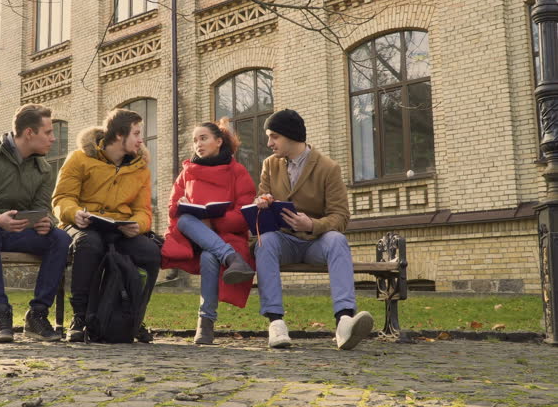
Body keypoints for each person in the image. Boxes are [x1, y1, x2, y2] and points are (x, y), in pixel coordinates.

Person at [254, 108, 374, 350]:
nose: (269, 143)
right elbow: (262, 198)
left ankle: (344, 321)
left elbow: (341, 217)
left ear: (291, 136)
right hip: (283, 241)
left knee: (337, 240)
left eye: (274, 136)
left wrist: (312, 224)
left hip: (315, 242)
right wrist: (263, 203)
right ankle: (276, 324)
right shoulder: (270, 164)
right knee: (264, 241)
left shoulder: (328, 168)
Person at [0, 104, 71, 343]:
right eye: (48, 132)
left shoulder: (43, 169)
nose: (53, 138)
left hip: (16, 231)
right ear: (29, 133)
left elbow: (42, 209)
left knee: (60, 238)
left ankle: (37, 315)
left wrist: (45, 223)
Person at [52, 108, 161, 342]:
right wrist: (74, 213)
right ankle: (80, 317)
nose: (141, 140)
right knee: (90, 244)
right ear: (120, 135)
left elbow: (143, 211)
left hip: (120, 228)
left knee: (151, 252)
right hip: (83, 224)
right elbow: (61, 198)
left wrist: (137, 226)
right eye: (136, 133)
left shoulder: (140, 168)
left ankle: (134, 316)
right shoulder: (79, 158)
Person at [160, 120, 257, 344]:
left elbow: (245, 212)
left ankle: (205, 322)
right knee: (184, 219)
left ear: (219, 141)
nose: (198, 144)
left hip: (226, 235)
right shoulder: (186, 172)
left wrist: (213, 223)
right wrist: (182, 204)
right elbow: (172, 208)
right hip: (192, 236)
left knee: (209, 255)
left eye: (203, 138)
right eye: (195, 140)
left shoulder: (237, 171)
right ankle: (232, 259)